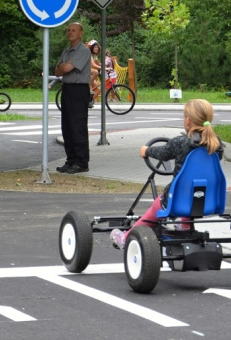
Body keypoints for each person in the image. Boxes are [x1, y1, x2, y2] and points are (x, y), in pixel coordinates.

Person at [110, 99, 222, 248]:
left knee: (160, 203)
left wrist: (147, 151)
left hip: (176, 201)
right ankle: (184, 223)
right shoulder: (217, 145)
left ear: (187, 121)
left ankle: (126, 237)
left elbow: (163, 153)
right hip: (207, 200)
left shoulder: (181, 143)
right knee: (194, 185)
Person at [54, 23, 92, 174]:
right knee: (67, 127)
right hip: (67, 89)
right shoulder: (66, 51)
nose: (70, 33)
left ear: (81, 33)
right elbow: (58, 71)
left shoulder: (83, 50)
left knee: (78, 126)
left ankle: (82, 162)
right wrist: (64, 66)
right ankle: (71, 160)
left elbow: (66, 69)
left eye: (73, 31)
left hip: (79, 90)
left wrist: (65, 66)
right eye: (68, 30)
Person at [87, 41, 101, 108]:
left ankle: (89, 101)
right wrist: (103, 68)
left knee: (98, 87)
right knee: (95, 72)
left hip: (89, 72)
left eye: (97, 47)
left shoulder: (94, 56)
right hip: (84, 71)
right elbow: (93, 64)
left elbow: (98, 64)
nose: (97, 48)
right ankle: (87, 87)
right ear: (91, 48)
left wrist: (107, 67)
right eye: (95, 47)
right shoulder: (89, 54)